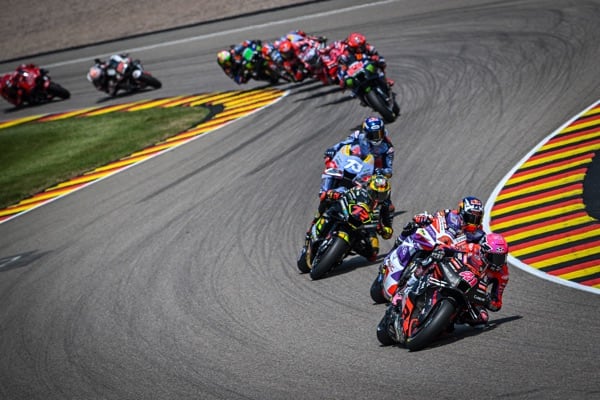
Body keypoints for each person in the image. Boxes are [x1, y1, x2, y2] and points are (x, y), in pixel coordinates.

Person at [381, 196, 485, 304]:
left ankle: (415, 293)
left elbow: (481, 248)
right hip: (439, 243)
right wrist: (426, 218)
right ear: (462, 212)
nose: (474, 222)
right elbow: (439, 221)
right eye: (471, 217)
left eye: (477, 218)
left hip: (454, 255)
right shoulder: (453, 216)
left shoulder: (480, 233)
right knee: (412, 228)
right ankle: (390, 258)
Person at [311, 174, 395, 262]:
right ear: (369, 188)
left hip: (367, 228)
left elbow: (388, 231)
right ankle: (314, 223)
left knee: (373, 254)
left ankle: (343, 251)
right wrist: (334, 194)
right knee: (326, 198)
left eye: (382, 195)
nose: (378, 198)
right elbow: (345, 192)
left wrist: (382, 229)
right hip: (347, 214)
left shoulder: (387, 207)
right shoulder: (359, 190)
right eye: (375, 193)